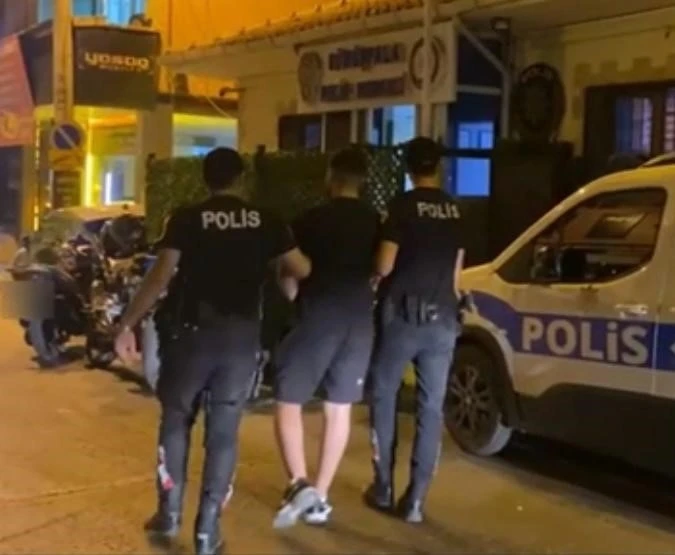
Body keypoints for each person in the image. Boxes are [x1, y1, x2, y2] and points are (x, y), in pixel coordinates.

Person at [114, 147, 311, 555]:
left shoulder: (186, 219)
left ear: (206, 180)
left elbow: (160, 275)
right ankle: (208, 531)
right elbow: (302, 268)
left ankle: (169, 513)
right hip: (240, 341)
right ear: (241, 179)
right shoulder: (267, 221)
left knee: (176, 421)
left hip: (191, 339)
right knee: (223, 434)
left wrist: (127, 323)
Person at [272, 147, 380, 529]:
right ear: (362, 181)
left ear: (331, 178)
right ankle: (321, 495)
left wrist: (293, 296)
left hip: (317, 316)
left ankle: (299, 483)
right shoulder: (376, 222)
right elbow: (380, 268)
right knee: (339, 407)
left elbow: (290, 277)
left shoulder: (309, 220)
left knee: (288, 400)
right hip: (359, 320)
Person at [365, 136, 464, 524]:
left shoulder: (402, 207)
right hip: (443, 318)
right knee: (431, 407)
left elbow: (385, 265)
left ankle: (383, 487)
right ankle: (417, 499)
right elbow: (456, 275)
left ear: (408, 168)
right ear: (438, 167)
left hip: (402, 316)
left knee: (384, 395)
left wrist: (375, 275)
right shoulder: (455, 210)